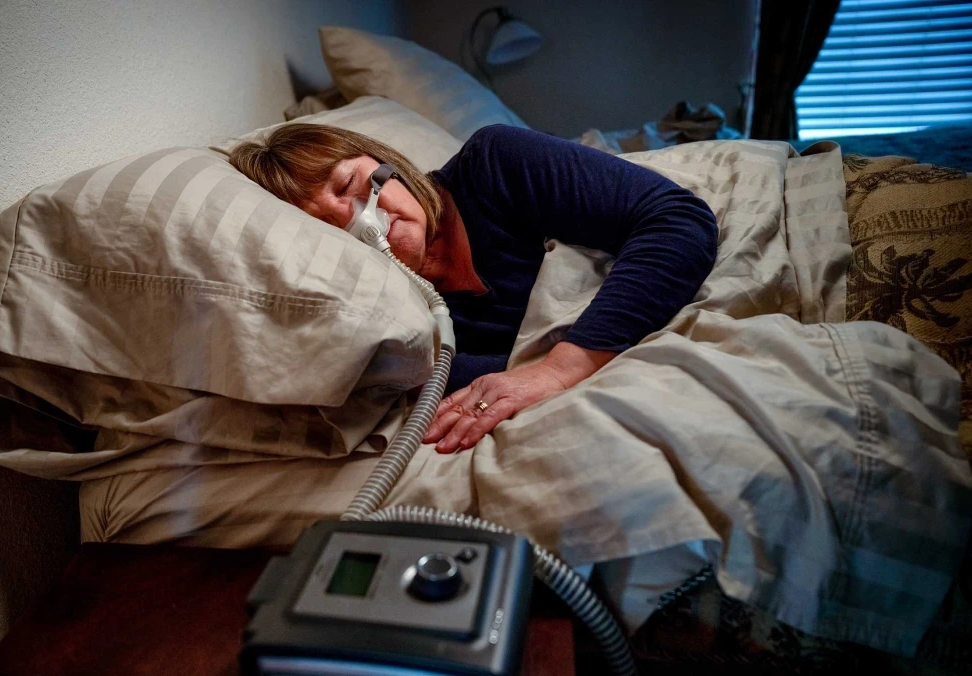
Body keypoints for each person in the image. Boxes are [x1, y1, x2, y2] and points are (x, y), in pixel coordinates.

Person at [229, 123, 718, 454]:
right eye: (330, 228)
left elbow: (678, 220)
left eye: (351, 185)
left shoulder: (496, 164)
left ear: (385, 164)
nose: (365, 219)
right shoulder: (394, 323)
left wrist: (560, 368)